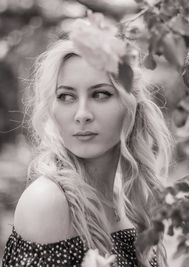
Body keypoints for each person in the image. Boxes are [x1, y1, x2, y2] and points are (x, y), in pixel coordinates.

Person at [2, 16, 172, 267]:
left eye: (101, 94)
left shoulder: (128, 203)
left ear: (130, 106)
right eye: (66, 96)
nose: (82, 114)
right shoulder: (49, 201)